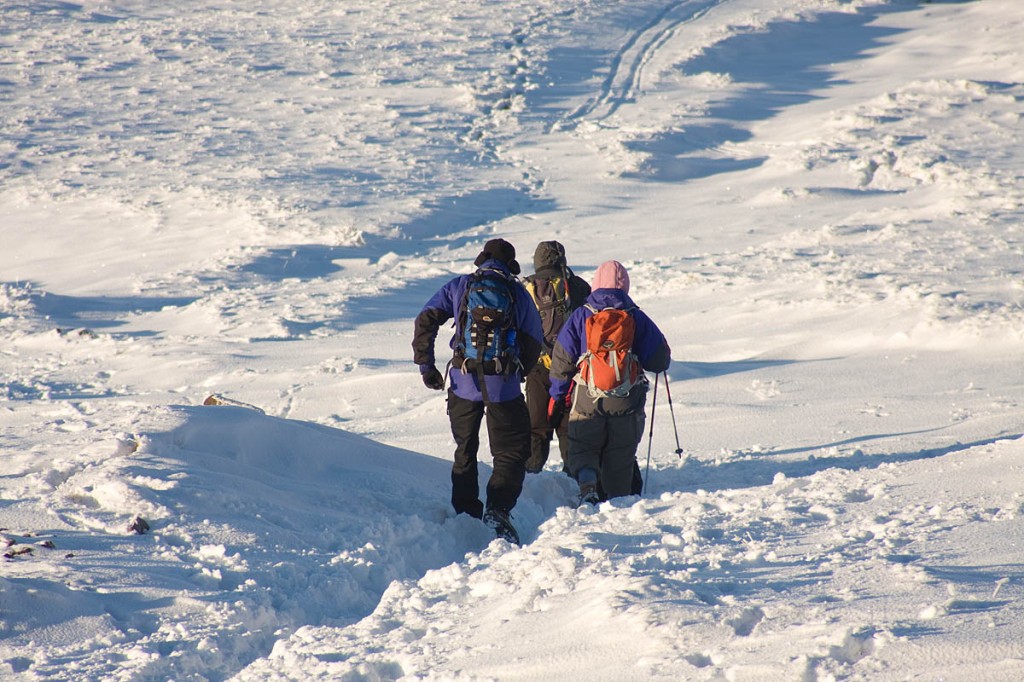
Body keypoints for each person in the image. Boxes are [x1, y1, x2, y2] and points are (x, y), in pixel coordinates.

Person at [412, 238, 543, 543]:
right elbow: (534, 341)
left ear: (482, 259)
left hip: (462, 380)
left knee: (465, 449)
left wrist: (426, 366)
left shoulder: (459, 286)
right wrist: (515, 371)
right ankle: (497, 511)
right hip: (503, 386)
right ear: (510, 266)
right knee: (510, 452)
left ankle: (466, 514)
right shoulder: (518, 294)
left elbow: (426, 319)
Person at [547, 260, 671, 504]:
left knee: (584, 446)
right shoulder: (636, 316)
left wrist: (557, 394)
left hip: (588, 396)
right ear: (625, 285)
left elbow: (561, 359)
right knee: (621, 451)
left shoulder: (581, 315)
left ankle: (588, 488)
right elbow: (659, 360)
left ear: (595, 284)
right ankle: (619, 501)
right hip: (627, 398)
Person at [522, 241, 590, 474]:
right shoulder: (578, 286)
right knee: (568, 427)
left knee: (536, 428)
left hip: (537, 366)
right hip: (572, 368)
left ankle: (530, 480)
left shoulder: (526, 288)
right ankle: (574, 480)